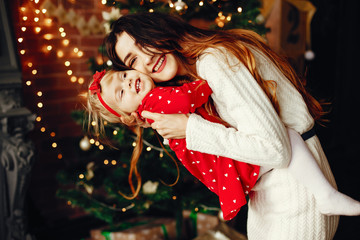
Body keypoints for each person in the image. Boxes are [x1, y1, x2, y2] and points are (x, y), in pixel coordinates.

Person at [86, 69, 360, 222]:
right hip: (225, 161)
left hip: (221, 163)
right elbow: (187, 99)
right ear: (128, 116)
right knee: (287, 137)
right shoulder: (157, 102)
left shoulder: (153, 109)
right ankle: (325, 196)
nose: (128, 82)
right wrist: (209, 80)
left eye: (122, 74)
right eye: (121, 93)